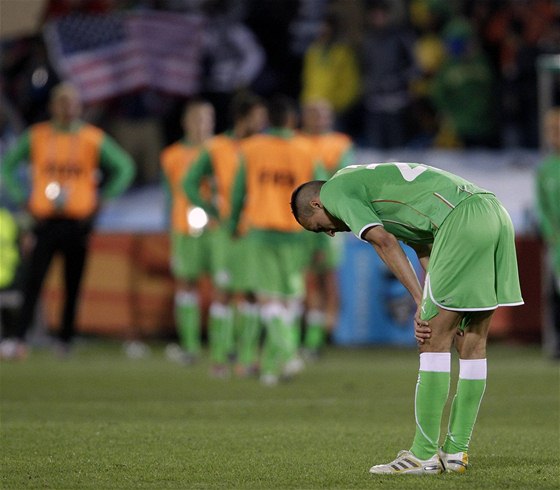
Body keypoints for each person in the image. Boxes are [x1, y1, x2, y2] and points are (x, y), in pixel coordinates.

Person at [291, 162, 523, 474]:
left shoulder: (335, 190)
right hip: (492, 212)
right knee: (472, 341)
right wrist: (433, 296)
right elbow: (426, 245)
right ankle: (455, 453)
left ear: (317, 203)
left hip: (461, 220)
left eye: (319, 226)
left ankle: (423, 454)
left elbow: (383, 241)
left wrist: (420, 301)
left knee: (431, 340)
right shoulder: (368, 186)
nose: (330, 233)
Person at [0, 82, 135, 359]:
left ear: (79, 107)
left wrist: (105, 197)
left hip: (78, 220)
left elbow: (125, 167)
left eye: (72, 103)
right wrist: (20, 196)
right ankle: (19, 339)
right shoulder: (37, 136)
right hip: (44, 219)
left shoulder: (91, 138)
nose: (67, 108)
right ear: (52, 106)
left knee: (73, 283)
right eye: (62, 102)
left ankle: (65, 340)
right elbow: (7, 166)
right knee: (33, 281)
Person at [229, 95, 325, 385]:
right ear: (291, 120)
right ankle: (276, 367)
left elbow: (237, 193)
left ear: (268, 120)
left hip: (260, 231)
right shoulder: (307, 150)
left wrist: (233, 225)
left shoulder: (250, 149)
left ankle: (287, 353)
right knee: (289, 298)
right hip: (297, 233)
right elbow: (322, 194)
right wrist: (322, 239)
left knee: (267, 298)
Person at [184, 92, 268, 378]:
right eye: (258, 116)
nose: (263, 122)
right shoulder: (216, 147)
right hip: (226, 234)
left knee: (253, 295)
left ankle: (246, 358)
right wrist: (213, 211)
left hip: (256, 232)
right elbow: (190, 182)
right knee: (223, 293)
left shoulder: (264, 146)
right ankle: (219, 358)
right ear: (243, 117)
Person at [160, 98, 215, 366]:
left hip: (217, 230)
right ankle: (190, 346)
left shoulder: (222, 151)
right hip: (184, 229)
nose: (201, 125)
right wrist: (169, 230)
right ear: (185, 123)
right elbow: (170, 197)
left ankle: (223, 346)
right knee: (186, 285)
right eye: (196, 119)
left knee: (225, 288)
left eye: (206, 119)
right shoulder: (171, 155)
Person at [298, 98, 354, 358]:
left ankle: (322, 336)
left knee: (328, 280)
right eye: (313, 113)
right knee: (306, 281)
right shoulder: (296, 141)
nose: (318, 118)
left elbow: (345, 179)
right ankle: (309, 336)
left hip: (328, 219)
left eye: (322, 113)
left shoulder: (340, 144)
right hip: (300, 222)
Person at [300, 13, 361, 133]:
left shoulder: (343, 53)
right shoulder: (313, 51)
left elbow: (351, 84)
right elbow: (307, 79)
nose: (320, 29)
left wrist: (336, 105)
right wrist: (307, 101)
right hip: (311, 108)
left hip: (332, 112)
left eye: (324, 26)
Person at [535, 107, 560, 359]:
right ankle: (557, 345)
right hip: (557, 242)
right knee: (554, 292)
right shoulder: (546, 169)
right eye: (552, 131)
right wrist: (549, 232)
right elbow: (541, 206)